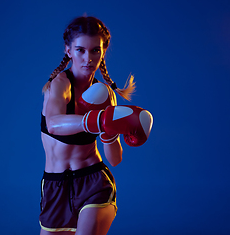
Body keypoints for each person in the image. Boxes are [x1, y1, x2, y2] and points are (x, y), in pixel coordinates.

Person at [39, 16, 152, 235]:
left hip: (93, 182)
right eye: (80, 50)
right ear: (68, 51)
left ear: (103, 52)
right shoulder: (59, 84)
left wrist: (109, 132)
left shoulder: (107, 95)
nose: (87, 58)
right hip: (56, 186)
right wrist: (99, 120)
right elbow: (53, 124)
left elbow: (115, 159)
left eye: (95, 51)